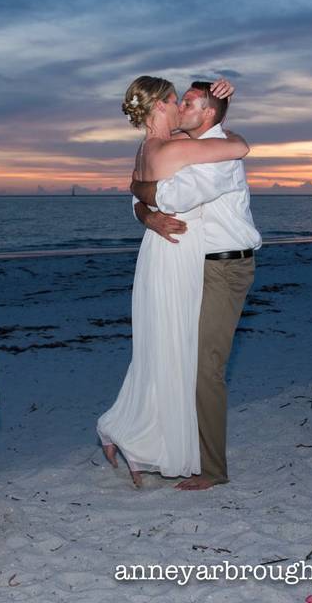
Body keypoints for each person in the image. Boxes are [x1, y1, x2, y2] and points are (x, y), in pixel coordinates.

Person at [98, 76, 250, 487]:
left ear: (209, 112)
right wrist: (144, 208)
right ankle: (139, 438)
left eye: (189, 102)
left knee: (193, 363)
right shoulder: (184, 148)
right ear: (160, 106)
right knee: (170, 353)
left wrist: (138, 189)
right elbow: (152, 198)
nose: (182, 106)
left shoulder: (213, 155)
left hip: (220, 264)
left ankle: (198, 462)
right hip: (183, 256)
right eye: (177, 100)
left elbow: (171, 196)